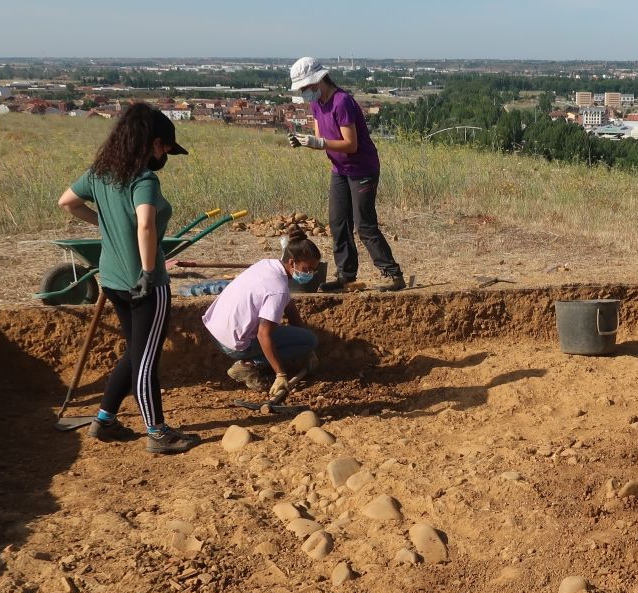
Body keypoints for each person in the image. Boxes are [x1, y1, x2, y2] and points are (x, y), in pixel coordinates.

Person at [57, 103, 200, 455]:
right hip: (144, 283)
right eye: (166, 148)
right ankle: (157, 432)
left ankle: (104, 420)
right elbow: (146, 224)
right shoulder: (144, 179)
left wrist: (107, 227)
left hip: (113, 280)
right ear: (153, 143)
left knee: (136, 351)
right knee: (147, 358)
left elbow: (67, 202)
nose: (166, 155)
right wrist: (149, 272)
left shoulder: (100, 174)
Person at [286, 57, 405, 293]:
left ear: (317, 81)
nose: (303, 93)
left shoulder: (342, 102)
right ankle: (345, 276)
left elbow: (350, 144)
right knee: (338, 223)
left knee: (364, 226)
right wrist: (306, 142)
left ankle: (393, 275)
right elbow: (322, 137)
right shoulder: (317, 103)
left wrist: (318, 143)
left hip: (362, 170)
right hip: (340, 170)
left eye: (303, 88)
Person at [202, 231, 320, 401]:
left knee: (306, 342)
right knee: (310, 340)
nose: (310, 273)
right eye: (307, 269)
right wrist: (280, 374)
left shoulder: (267, 265)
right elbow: (263, 334)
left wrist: (309, 353)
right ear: (292, 262)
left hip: (215, 328)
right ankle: (248, 366)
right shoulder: (277, 289)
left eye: (313, 270)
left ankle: (253, 361)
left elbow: (290, 306)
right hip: (234, 344)